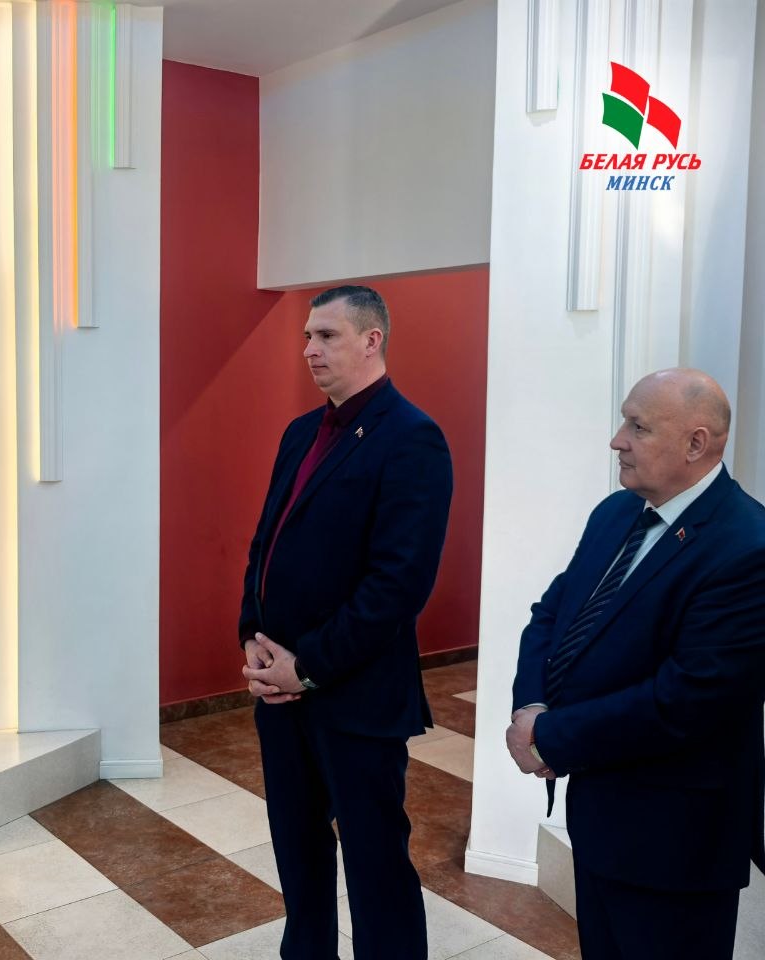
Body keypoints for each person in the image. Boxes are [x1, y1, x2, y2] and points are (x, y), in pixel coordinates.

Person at [507, 368, 765, 960]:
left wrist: (550, 737)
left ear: (696, 444)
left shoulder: (747, 548)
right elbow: (551, 615)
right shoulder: (616, 514)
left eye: (638, 426)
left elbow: (686, 701)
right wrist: (531, 707)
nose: (616, 439)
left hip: (675, 844)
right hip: (600, 818)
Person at [240, 285, 453, 959]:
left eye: (326, 336)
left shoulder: (412, 438)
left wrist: (305, 667)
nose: (309, 349)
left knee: (374, 862)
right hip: (282, 698)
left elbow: (398, 585)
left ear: (371, 340)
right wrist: (254, 641)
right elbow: (264, 545)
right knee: (298, 852)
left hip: (356, 697)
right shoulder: (300, 432)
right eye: (307, 336)